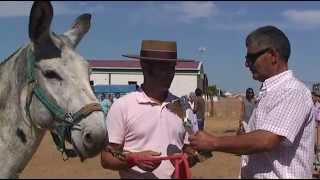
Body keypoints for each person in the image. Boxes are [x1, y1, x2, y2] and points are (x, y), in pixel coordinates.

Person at [189, 25, 315, 178]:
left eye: (251, 57)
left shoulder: (293, 91)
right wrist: (244, 137)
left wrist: (214, 142)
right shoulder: (270, 93)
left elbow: (267, 140)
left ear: (273, 55)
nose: (247, 64)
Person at [100, 40, 197, 179]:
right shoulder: (123, 106)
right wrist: (133, 159)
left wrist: (186, 159)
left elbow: (190, 151)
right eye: (163, 68)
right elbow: (106, 158)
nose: (170, 73)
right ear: (144, 66)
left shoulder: (183, 106)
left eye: (172, 67)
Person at [312, 83, 320, 177]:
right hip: (313, 128)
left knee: (318, 148)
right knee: (314, 149)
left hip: (317, 128)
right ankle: (315, 168)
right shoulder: (311, 105)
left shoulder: (318, 106)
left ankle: (317, 169)